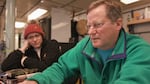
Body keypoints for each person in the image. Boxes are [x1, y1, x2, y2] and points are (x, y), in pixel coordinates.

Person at [19, 0, 150, 84]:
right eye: (89, 26)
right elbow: (61, 68)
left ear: (118, 23)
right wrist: (36, 81)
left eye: (97, 25)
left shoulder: (140, 50)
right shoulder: (85, 45)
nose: (91, 32)